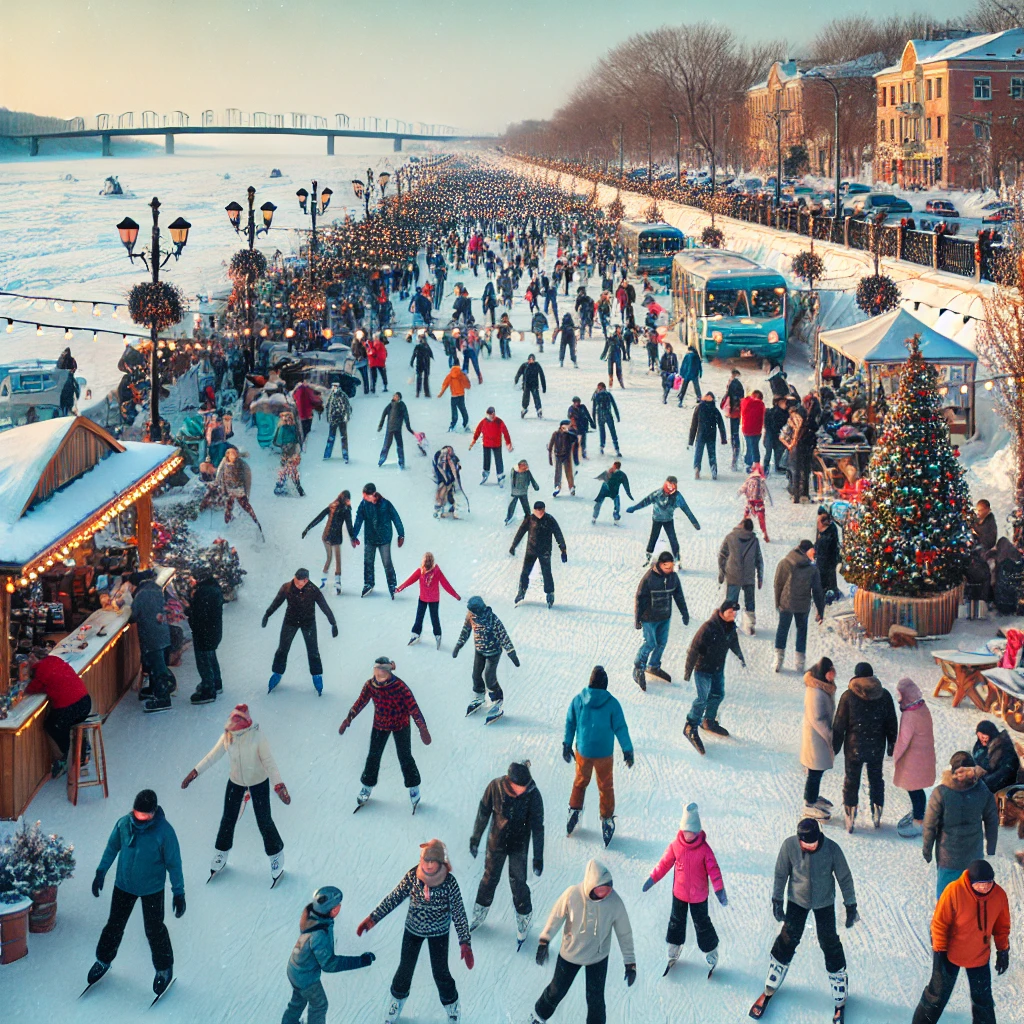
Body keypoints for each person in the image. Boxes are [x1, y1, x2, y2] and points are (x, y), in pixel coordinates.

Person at [751, 818, 856, 1020]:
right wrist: (776, 899)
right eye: (805, 844)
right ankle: (774, 974)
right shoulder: (789, 846)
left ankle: (838, 980)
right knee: (789, 935)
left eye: (813, 843)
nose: (809, 847)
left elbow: (845, 877)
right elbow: (781, 873)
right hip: (797, 900)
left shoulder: (832, 849)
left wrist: (850, 904)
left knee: (828, 940)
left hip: (824, 902)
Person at [357, 839, 471, 1024]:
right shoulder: (413, 876)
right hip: (413, 929)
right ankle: (396, 1001)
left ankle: (452, 1006)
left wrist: (464, 941)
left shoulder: (449, 883)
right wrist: (373, 918)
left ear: (440, 862)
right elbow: (394, 897)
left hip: (439, 932)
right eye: (424, 860)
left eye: (431, 861)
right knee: (405, 968)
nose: (426, 864)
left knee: (440, 972)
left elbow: (458, 912)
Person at [88, 789, 185, 997]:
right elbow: (112, 848)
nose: (139, 818)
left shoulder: (164, 832)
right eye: (136, 813)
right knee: (114, 924)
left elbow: (174, 864)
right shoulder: (124, 824)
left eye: (144, 815)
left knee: (154, 929)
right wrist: (100, 872)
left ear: (152, 813)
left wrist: (179, 892)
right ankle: (103, 960)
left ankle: (164, 967)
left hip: (152, 889)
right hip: (124, 885)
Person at [181, 703, 288, 884]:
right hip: (236, 782)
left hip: (258, 782)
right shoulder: (228, 736)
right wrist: (195, 772)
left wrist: (279, 786)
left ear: (245, 723)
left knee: (264, 820)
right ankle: (221, 852)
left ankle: (276, 854)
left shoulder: (257, 737)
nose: (233, 727)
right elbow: (212, 756)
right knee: (228, 818)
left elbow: (269, 763)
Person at [531, 859, 636, 1024]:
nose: (606, 894)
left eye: (608, 889)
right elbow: (556, 916)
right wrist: (545, 940)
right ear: (591, 886)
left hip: (598, 957)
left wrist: (630, 963)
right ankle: (538, 1017)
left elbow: (625, 933)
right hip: (570, 953)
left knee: (596, 1000)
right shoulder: (572, 894)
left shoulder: (614, 902)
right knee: (556, 991)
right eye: (602, 890)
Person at [910, 859, 1010, 1024]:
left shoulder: (998, 895)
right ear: (970, 882)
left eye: (988, 883)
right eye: (980, 884)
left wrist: (1003, 949)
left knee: (983, 1001)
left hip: (979, 955)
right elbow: (939, 924)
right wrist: (939, 951)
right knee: (936, 996)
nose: (985, 887)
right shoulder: (954, 891)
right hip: (949, 953)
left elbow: (1002, 926)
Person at [642, 802, 726, 974]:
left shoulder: (705, 850)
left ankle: (711, 952)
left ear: (697, 832)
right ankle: (674, 947)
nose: (688, 835)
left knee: (702, 923)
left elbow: (714, 871)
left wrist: (720, 891)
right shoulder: (675, 846)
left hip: (699, 896)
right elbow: (664, 864)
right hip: (679, 894)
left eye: (692, 832)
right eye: (686, 831)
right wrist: (652, 878)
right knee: (676, 921)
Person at [339, 656, 431, 811]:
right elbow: (360, 702)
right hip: (380, 725)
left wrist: (422, 728)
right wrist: (349, 718)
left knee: (405, 756)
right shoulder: (370, 685)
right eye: (377, 672)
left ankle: (413, 786)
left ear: (389, 672)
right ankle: (367, 786)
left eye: (383, 672)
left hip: (400, 725)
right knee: (373, 755)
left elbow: (413, 708)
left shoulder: (400, 686)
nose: (379, 676)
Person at [468, 761, 545, 941]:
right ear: (509, 782)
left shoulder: (533, 795)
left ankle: (524, 918)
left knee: (518, 883)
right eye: (518, 787)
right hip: (497, 842)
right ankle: (479, 912)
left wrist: (538, 857)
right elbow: (483, 812)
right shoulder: (495, 787)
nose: (521, 791)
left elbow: (538, 827)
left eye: (523, 787)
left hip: (519, 845)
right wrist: (475, 838)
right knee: (489, 879)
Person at [280, 886, 375, 1024]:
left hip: (294, 969)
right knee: (319, 1004)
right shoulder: (319, 934)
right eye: (338, 905)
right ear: (334, 910)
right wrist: (361, 961)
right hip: (305, 977)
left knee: (298, 1000)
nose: (340, 907)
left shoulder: (313, 915)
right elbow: (330, 964)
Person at [563, 666, 634, 846]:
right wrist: (627, 750)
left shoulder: (578, 700)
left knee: (580, 782)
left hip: (584, 751)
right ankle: (607, 817)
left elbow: (570, 722)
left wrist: (566, 743)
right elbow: (620, 727)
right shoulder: (612, 703)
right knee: (605, 786)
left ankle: (575, 809)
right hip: (603, 754)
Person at [831, 660, 898, 833]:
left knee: (851, 780)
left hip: (854, 748)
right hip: (876, 747)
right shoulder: (884, 695)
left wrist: (835, 747)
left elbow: (839, 724)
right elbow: (891, 722)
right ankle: (877, 813)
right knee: (876, 779)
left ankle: (850, 815)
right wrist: (892, 744)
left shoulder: (848, 696)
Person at [924, 751, 1000, 897]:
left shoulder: (941, 793)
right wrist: (991, 846)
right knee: (972, 895)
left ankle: (946, 917)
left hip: (948, 857)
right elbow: (992, 819)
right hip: (973, 856)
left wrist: (927, 850)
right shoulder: (982, 790)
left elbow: (930, 825)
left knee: (947, 896)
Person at [682, 601, 745, 754]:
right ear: (722, 612)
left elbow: (733, 642)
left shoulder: (730, 628)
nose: (733, 615)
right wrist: (688, 671)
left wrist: (740, 655)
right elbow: (694, 648)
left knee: (718, 694)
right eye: (730, 612)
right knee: (702, 699)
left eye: (735, 613)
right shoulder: (708, 627)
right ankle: (690, 726)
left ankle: (708, 721)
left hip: (717, 668)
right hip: (702, 669)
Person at [263, 568, 338, 695]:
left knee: (313, 650)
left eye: (299, 582)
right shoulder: (287, 587)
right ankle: (277, 673)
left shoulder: (313, 590)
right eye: (295, 581)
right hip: (290, 622)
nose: (297, 584)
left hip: (308, 623)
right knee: (282, 649)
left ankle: (317, 676)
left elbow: (324, 606)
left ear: (306, 581)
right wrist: (267, 614)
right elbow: (277, 602)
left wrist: (333, 623)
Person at [25, 650, 92, 777]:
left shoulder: (40, 670)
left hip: (69, 708)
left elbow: (31, 689)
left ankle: (61, 759)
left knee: (50, 726)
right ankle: (82, 747)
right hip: (85, 702)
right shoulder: (55, 660)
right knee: (71, 722)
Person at [632, 552, 689, 690]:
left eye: (671, 566)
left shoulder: (673, 578)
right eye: (667, 566)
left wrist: (684, 613)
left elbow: (678, 595)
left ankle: (654, 666)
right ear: (660, 564)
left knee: (661, 643)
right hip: (649, 618)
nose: (669, 569)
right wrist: (638, 618)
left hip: (664, 617)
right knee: (650, 643)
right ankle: (638, 668)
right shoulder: (649, 578)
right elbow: (640, 598)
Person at [892, 677, 937, 839]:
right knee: (917, 788)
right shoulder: (922, 707)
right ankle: (919, 814)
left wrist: (895, 756)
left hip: (913, 760)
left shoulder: (909, 716)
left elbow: (904, 740)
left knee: (914, 788)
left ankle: (919, 821)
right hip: (924, 756)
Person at [772, 540, 825, 674]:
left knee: (783, 629)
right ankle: (800, 664)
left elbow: (778, 584)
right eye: (812, 551)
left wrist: (777, 602)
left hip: (786, 602)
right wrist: (820, 610)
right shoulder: (812, 569)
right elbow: (817, 591)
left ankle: (778, 661)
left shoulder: (785, 562)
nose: (814, 554)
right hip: (803, 605)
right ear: (807, 551)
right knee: (801, 631)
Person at [627, 476, 701, 565]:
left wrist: (694, 522)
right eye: (669, 484)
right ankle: (649, 556)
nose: (670, 487)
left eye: (672, 485)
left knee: (672, 538)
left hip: (668, 520)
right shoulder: (658, 494)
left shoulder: (677, 497)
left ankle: (677, 559)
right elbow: (645, 501)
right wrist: (634, 508)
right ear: (665, 484)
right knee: (653, 537)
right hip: (657, 519)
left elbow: (686, 509)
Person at [129, 570, 174, 714]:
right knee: (158, 664)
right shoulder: (157, 590)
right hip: (163, 632)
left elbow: (133, 616)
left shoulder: (141, 595)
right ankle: (154, 690)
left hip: (151, 635)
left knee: (157, 666)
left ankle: (163, 698)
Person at [395, 552, 461, 648]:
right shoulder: (420, 571)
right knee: (420, 617)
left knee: (433, 618)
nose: (428, 564)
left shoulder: (436, 572)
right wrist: (399, 588)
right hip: (423, 599)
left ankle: (436, 635)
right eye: (427, 562)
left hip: (433, 600)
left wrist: (455, 595)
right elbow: (410, 580)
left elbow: (446, 584)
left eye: (429, 562)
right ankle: (417, 634)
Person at [351, 482, 406, 598]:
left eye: (366, 495)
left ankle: (392, 585)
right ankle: (368, 583)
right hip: (370, 538)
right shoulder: (364, 504)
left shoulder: (386, 504)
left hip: (384, 538)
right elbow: (358, 519)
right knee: (368, 561)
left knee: (387, 562)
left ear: (373, 494)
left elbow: (396, 518)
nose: (364, 497)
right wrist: (354, 535)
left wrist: (401, 534)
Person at [800, 658, 837, 820]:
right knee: (814, 771)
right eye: (830, 670)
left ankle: (813, 798)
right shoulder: (816, 692)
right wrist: (831, 736)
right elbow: (818, 719)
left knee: (817, 771)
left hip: (818, 740)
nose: (833, 673)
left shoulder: (823, 688)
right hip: (817, 740)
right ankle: (809, 803)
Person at [511, 501, 567, 608]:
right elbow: (520, 532)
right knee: (525, 572)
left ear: (544, 509)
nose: (539, 512)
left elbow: (558, 533)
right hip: (531, 551)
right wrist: (514, 545)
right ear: (534, 510)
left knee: (546, 573)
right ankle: (521, 591)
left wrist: (563, 549)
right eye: (537, 510)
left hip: (545, 551)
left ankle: (550, 594)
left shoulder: (549, 519)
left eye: (541, 510)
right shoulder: (530, 519)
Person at [717, 517, 764, 636]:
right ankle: (750, 627)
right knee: (750, 602)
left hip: (733, 575)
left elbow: (721, 556)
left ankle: (728, 626)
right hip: (748, 576)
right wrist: (760, 577)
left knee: (730, 602)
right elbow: (759, 560)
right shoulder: (754, 540)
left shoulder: (730, 537)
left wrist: (722, 574)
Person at [302, 491, 354, 595]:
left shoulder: (332, 506)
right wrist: (353, 538)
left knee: (329, 558)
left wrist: (308, 528)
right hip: (335, 537)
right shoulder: (346, 510)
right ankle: (337, 583)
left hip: (326, 536)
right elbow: (349, 525)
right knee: (337, 560)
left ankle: (323, 582)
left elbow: (319, 517)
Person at [186, 573, 224, 704]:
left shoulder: (203, 593)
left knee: (204, 660)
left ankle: (208, 690)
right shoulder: (214, 589)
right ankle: (216, 683)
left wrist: (188, 609)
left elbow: (198, 614)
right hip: (213, 631)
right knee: (211, 657)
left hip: (204, 632)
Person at [972, 719, 1022, 792]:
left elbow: (1004, 772)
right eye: (979, 736)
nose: (982, 739)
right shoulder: (980, 748)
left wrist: (984, 782)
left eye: (984, 736)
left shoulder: (1005, 747)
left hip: (1002, 786)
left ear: (991, 734)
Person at [469, 406, 513, 486]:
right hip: (487, 444)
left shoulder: (499, 421)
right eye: (491, 414)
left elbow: (505, 432)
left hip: (497, 444)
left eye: (493, 413)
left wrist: (508, 443)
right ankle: (485, 473)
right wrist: (474, 440)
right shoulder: (483, 422)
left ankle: (500, 475)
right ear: (488, 414)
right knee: (486, 459)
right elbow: (478, 431)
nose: (493, 416)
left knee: (498, 459)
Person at [688, 391, 727, 479]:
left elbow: (694, 425)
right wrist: (723, 438)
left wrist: (691, 440)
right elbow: (721, 425)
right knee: (711, 453)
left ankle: (697, 468)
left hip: (701, 434)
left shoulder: (699, 408)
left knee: (698, 452)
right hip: (711, 434)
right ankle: (713, 469)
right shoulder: (715, 410)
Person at [377, 392, 415, 470]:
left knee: (399, 446)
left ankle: (401, 462)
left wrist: (409, 428)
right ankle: (382, 459)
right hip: (390, 428)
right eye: (394, 396)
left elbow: (406, 417)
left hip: (397, 428)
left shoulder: (402, 405)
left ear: (399, 398)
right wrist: (380, 425)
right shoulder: (390, 405)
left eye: (397, 396)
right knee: (386, 445)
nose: (395, 397)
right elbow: (383, 415)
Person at [273, 409, 304, 497]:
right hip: (287, 451)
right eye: (286, 418)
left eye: (289, 417)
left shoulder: (293, 427)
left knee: (288, 469)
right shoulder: (283, 427)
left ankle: (281, 486)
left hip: (292, 450)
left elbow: (297, 438)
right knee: (288, 469)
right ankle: (297, 489)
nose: (288, 419)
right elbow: (277, 440)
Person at [737, 463, 772, 542]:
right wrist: (768, 500)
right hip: (759, 502)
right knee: (761, 519)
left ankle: (742, 530)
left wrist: (738, 494)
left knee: (746, 516)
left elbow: (742, 489)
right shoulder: (762, 481)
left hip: (750, 501)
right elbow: (766, 492)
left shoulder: (749, 480)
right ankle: (764, 533)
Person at [592, 460, 633, 524]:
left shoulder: (614, 473)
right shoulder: (620, 474)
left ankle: (594, 517)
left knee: (600, 502)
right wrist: (629, 494)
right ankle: (615, 517)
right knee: (615, 503)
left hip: (607, 490)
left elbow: (599, 478)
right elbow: (626, 485)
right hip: (611, 491)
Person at [438, 362, 472, 432]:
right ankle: (465, 425)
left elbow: (445, 385)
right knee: (463, 410)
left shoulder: (450, 375)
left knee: (454, 412)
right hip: (461, 396)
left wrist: (440, 394)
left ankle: (452, 426)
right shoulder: (461, 374)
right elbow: (467, 386)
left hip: (454, 396)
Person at [815, 510, 841, 600]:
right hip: (827, 564)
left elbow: (823, 556)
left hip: (826, 566)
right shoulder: (827, 532)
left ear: (823, 524)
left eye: (818, 522)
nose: (817, 525)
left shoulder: (826, 538)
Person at [721, 370, 744, 471]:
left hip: (733, 412)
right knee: (735, 434)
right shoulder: (737, 384)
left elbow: (731, 397)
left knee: (734, 434)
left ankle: (735, 457)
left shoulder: (734, 384)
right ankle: (735, 456)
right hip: (736, 411)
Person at [322, 383, 352, 462]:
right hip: (333, 419)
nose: (333, 388)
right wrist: (328, 418)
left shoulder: (342, 395)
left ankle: (345, 455)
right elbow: (328, 407)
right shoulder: (331, 396)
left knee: (343, 437)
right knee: (331, 437)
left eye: (335, 386)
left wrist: (347, 417)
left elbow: (348, 407)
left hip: (341, 419)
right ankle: (327, 455)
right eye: (333, 386)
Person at [432, 446, 463, 519]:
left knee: (449, 492)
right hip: (444, 479)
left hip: (450, 479)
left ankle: (448, 507)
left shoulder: (453, 459)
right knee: (443, 491)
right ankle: (442, 507)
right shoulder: (441, 460)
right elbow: (439, 471)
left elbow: (457, 468)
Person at [547, 420, 577, 497]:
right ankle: (557, 486)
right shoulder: (556, 434)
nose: (566, 428)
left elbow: (575, 439)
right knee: (558, 471)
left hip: (566, 456)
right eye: (564, 427)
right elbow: (550, 446)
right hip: (558, 455)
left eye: (568, 427)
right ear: (561, 427)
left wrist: (569, 432)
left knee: (568, 472)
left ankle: (571, 487)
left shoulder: (569, 435)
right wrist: (550, 457)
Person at [762, 395, 789, 477]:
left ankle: (766, 469)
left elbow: (765, 424)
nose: (785, 404)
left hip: (771, 435)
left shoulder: (769, 412)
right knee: (775, 453)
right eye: (784, 402)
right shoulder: (782, 413)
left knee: (771, 453)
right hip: (775, 435)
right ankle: (774, 468)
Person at [591, 381, 621, 457]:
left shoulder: (607, 395)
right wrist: (593, 420)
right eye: (598, 389)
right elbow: (594, 408)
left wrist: (617, 415)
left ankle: (616, 448)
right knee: (602, 432)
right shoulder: (596, 396)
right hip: (601, 416)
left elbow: (614, 405)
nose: (599, 390)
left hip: (607, 415)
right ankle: (602, 446)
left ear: (604, 388)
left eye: (600, 389)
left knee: (612, 432)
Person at [506, 459, 540, 525]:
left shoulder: (527, 472)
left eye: (526, 465)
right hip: (515, 492)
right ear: (519, 466)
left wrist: (536, 486)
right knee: (512, 505)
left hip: (523, 492)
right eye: (524, 466)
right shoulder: (514, 471)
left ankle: (528, 516)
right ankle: (509, 517)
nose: (526, 467)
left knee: (525, 505)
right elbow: (512, 480)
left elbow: (532, 479)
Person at [740, 390, 766, 471]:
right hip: (757, 430)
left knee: (750, 446)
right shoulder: (761, 404)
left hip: (746, 429)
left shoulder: (745, 402)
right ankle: (755, 463)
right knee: (754, 446)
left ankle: (749, 462)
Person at [515, 353, 546, 418]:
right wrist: (516, 380)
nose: (531, 361)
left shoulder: (537, 365)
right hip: (527, 385)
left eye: (532, 359)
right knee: (525, 398)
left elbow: (542, 375)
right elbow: (519, 373)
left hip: (534, 385)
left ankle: (539, 410)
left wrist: (544, 387)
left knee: (536, 397)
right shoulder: (525, 365)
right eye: (530, 359)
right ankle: (524, 409)